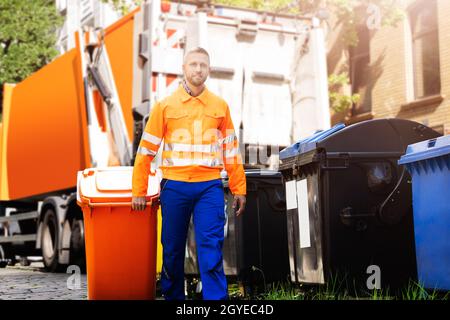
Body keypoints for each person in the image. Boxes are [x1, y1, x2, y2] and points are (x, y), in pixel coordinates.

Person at [131, 47, 246, 300]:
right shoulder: (165, 106)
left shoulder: (220, 106)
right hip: (175, 187)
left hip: (209, 188)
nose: (198, 69)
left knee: (211, 249)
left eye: (203, 65)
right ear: (184, 69)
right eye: (193, 64)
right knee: (171, 251)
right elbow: (145, 152)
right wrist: (138, 190)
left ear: (209, 69)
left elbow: (231, 150)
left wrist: (239, 188)